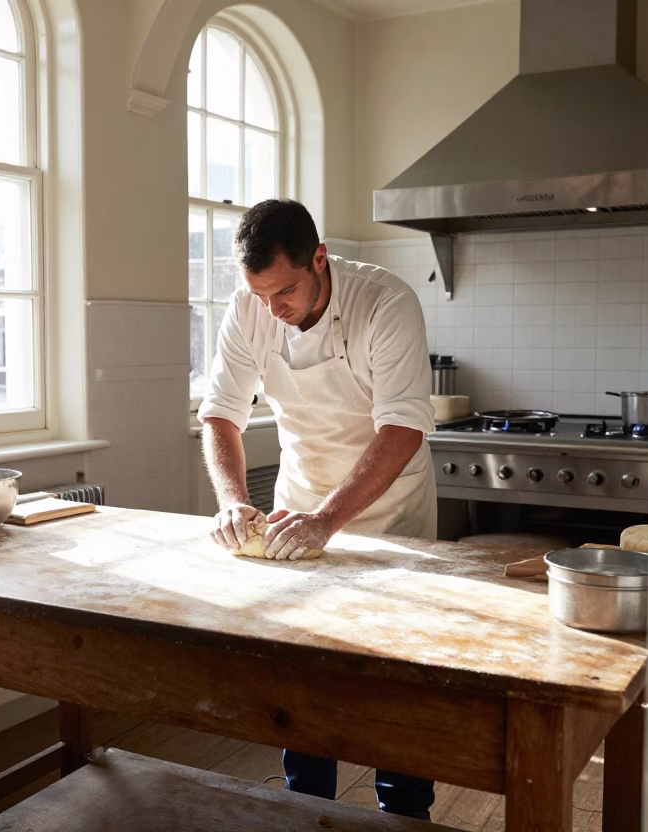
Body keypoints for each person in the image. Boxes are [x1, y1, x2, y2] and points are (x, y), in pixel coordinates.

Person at [198, 199, 437, 819]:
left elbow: (403, 428)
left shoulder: (386, 302)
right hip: (296, 514)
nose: (272, 309)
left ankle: (405, 811)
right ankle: (305, 809)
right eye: (259, 295)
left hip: (391, 519)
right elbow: (222, 412)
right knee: (301, 672)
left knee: (396, 680)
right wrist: (232, 501)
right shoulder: (249, 310)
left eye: (284, 292)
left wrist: (329, 520)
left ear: (320, 259)